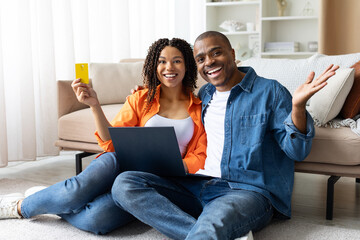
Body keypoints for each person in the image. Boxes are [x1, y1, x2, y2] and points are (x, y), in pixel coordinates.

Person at [111, 31, 339, 240]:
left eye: (216, 53)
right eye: (200, 59)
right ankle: (216, 233)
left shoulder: (270, 91)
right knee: (125, 183)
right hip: (198, 182)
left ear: (232, 54)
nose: (208, 62)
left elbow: (297, 151)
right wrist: (146, 93)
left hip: (245, 190)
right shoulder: (205, 93)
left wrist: (298, 107)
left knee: (211, 226)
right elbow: (173, 98)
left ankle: (210, 231)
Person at [0, 38, 207, 235]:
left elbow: (200, 155)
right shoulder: (141, 98)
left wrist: (178, 166)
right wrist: (94, 105)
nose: (169, 67)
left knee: (97, 221)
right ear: (154, 66)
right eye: (162, 61)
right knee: (75, 191)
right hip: (119, 161)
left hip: (153, 180)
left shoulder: (199, 107)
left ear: (187, 65)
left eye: (176, 61)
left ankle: (51, 199)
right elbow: (111, 142)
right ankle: (19, 207)